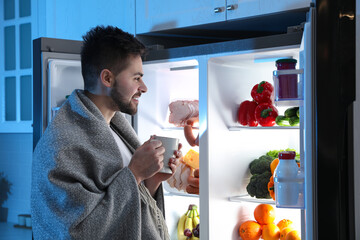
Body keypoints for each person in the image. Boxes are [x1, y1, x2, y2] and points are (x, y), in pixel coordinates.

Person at [31, 26, 182, 240]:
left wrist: (151, 180)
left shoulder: (116, 128)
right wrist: (135, 173)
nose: (144, 87)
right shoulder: (61, 145)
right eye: (136, 78)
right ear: (108, 79)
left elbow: (126, 202)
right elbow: (75, 233)